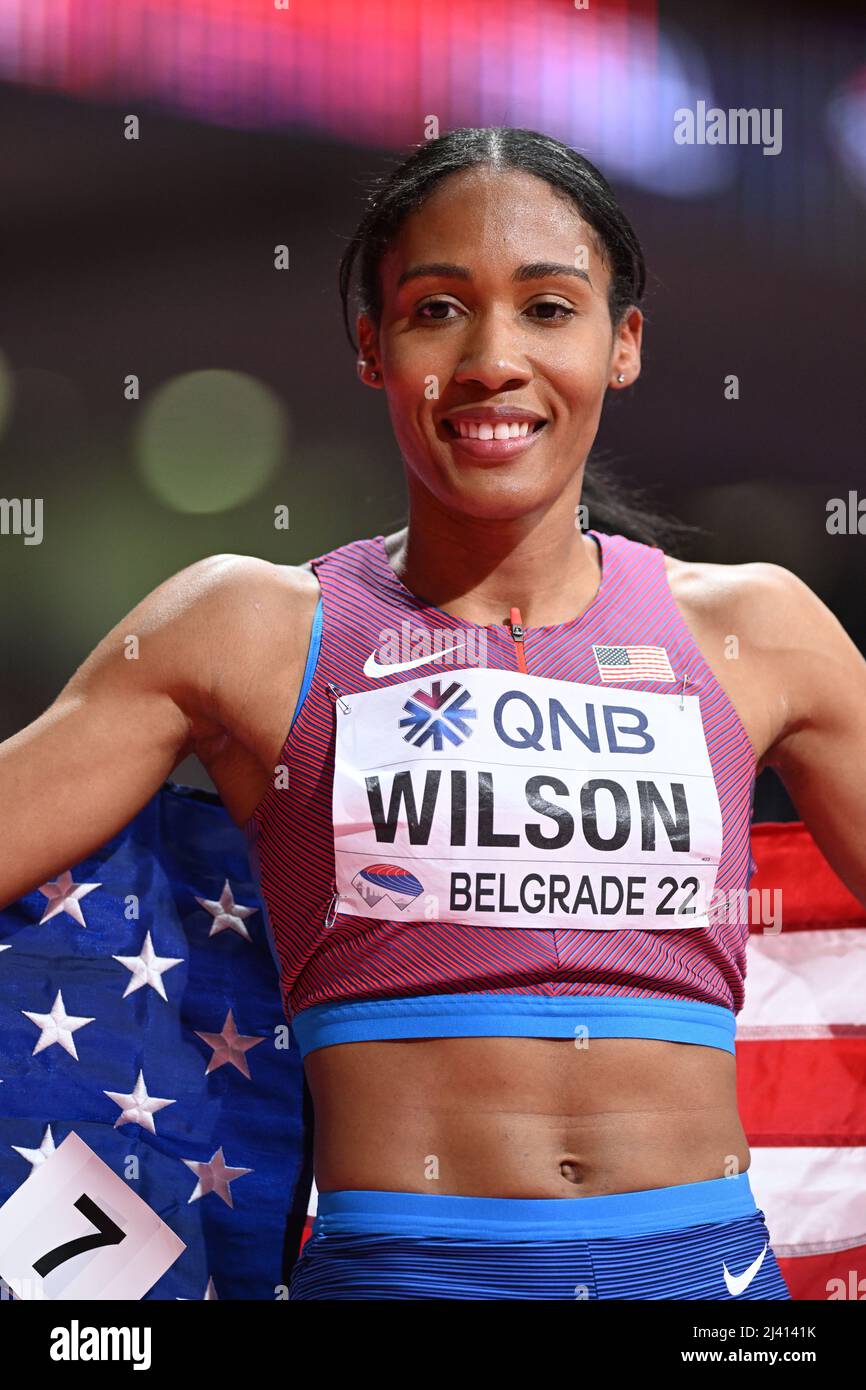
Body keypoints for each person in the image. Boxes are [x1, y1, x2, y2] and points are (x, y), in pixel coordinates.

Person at [2, 127, 865, 1301]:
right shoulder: (243, 630)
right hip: (400, 1280)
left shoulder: (757, 631)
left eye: (548, 309)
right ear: (372, 346)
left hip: (708, 1294)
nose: (490, 359)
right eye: (436, 309)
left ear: (623, 346)